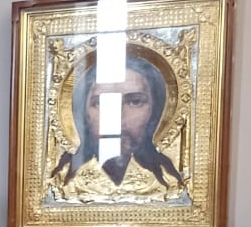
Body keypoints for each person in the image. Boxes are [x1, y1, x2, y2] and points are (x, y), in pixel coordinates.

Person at [50, 54, 183, 190]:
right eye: (102, 102)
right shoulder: (62, 183)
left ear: (156, 111)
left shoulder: (170, 182)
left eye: (135, 101)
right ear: (84, 113)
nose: (116, 117)